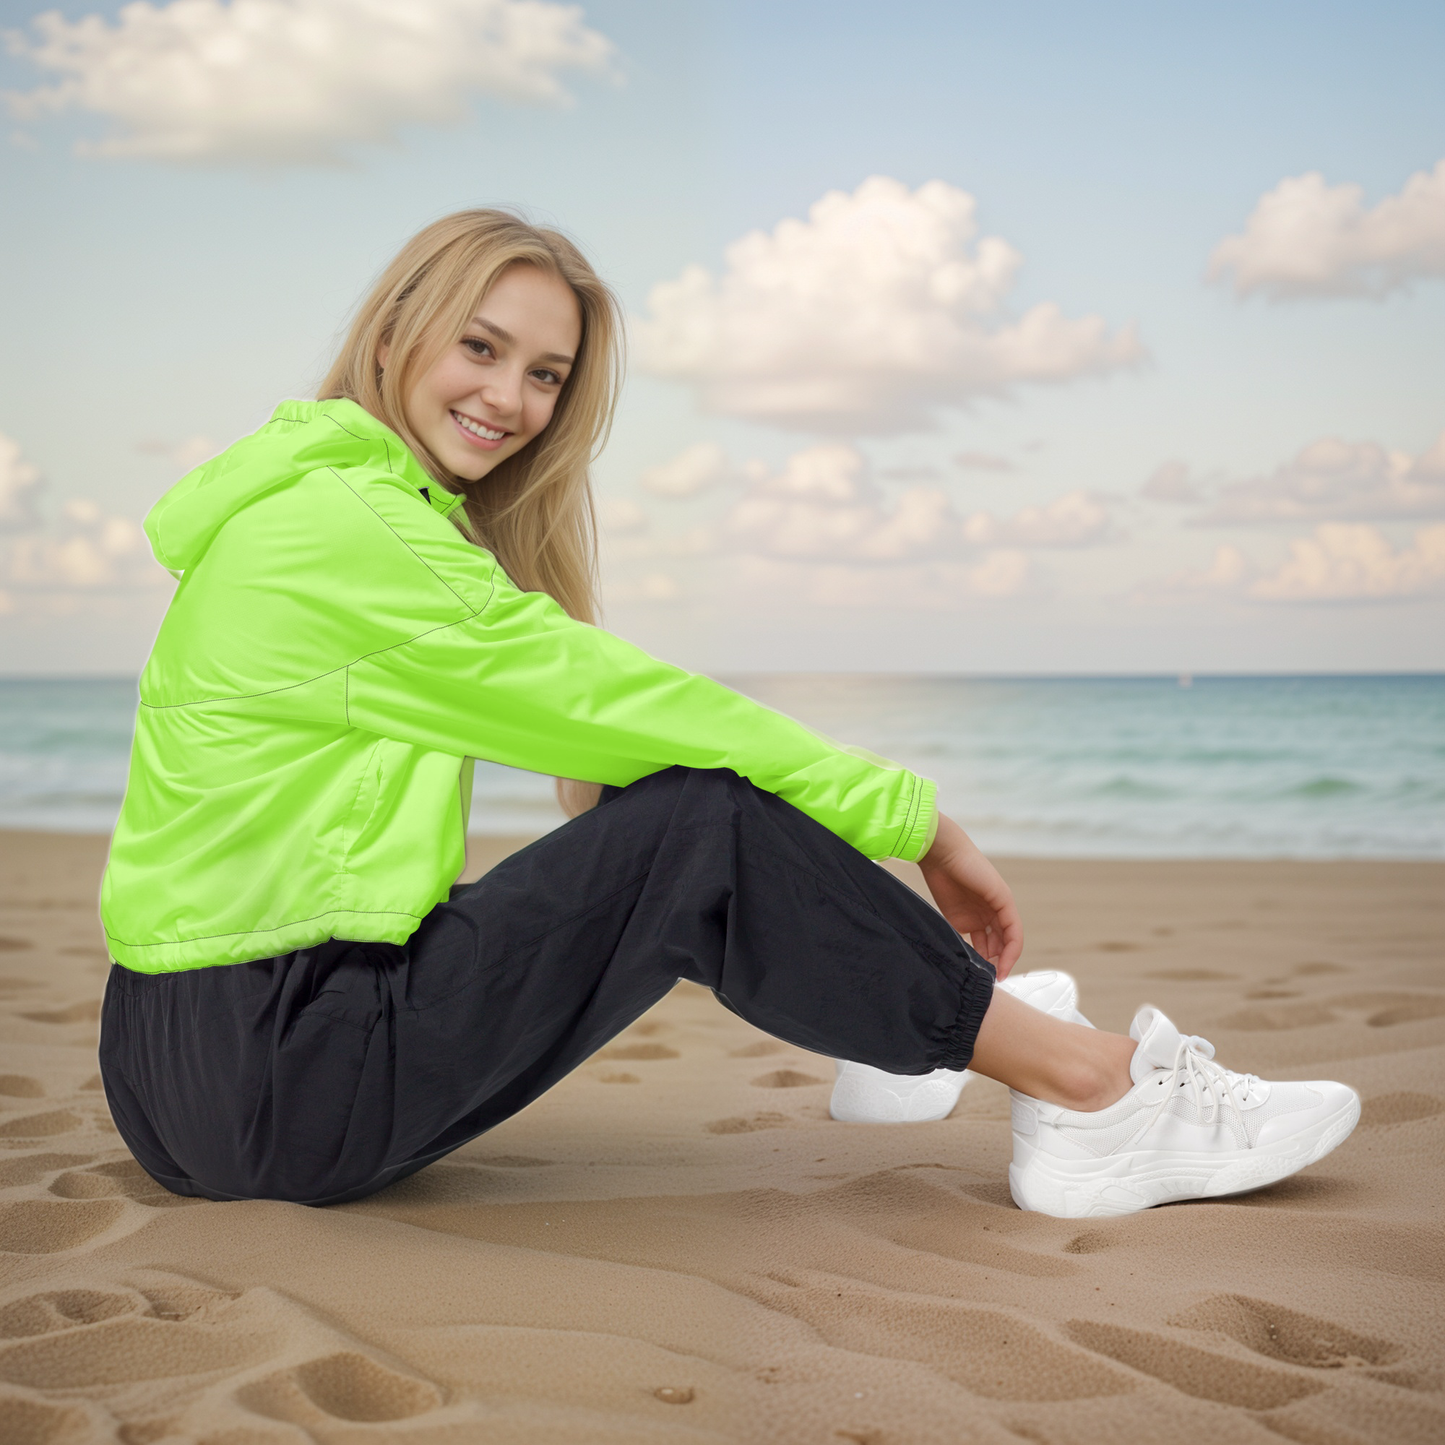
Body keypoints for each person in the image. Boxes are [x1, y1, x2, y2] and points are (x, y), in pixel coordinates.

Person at [97, 210, 1359, 1220]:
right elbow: (636, 704)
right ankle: (1094, 1092)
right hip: (276, 1075)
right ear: (393, 336)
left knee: (682, 805)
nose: (511, 399)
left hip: (178, 1065)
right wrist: (916, 822)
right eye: (479, 347)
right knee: (703, 816)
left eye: (545, 373)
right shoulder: (352, 534)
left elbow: (601, 737)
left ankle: (894, 1029)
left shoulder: (314, 508)